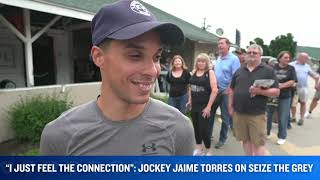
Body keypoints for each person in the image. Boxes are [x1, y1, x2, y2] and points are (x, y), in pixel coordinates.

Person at [40, 0, 195, 155]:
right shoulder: (60, 136)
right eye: (135, 55)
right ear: (99, 57)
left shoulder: (178, 129)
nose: (152, 70)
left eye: (156, 56)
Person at [229, 44, 279, 156]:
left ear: (260, 55)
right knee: (245, 140)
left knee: (258, 144)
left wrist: (259, 91)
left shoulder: (268, 71)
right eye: (249, 52)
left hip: (256, 114)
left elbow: (276, 91)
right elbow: (231, 90)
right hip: (239, 112)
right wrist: (230, 107)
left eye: (254, 53)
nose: (251, 54)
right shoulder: (239, 71)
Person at [209, 37, 241, 149]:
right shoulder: (218, 58)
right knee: (210, 113)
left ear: (228, 46)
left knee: (225, 117)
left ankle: (222, 139)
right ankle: (209, 135)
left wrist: (229, 89)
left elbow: (237, 76)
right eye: (218, 44)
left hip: (226, 92)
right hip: (215, 91)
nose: (219, 46)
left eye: (222, 43)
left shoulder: (234, 59)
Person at [187, 53, 218, 155]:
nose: (201, 63)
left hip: (205, 105)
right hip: (194, 105)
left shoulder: (210, 72)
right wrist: (190, 101)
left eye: (203, 61)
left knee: (203, 129)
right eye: (199, 61)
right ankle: (199, 148)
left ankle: (208, 149)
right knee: (195, 127)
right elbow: (190, 88)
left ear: (207, 63)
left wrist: (208, 107)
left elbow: (214, 90)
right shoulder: (194, 72)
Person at [267, 51, 297, 145]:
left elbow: (292, 81)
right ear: (279, 58)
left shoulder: (291, 68)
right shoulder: (273, 67)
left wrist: (281, 86)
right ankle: (266, 133)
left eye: (288, 58)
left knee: (283, 117)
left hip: (285, 96)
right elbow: (268, 78)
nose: (288, 59)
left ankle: (281, 136)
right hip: (272, 95)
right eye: (285, 57)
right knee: (268, 115)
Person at [289, 53, 319, 125]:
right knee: (293, 104)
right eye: (306, 58)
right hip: (293, 88)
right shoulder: (291, 65)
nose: (307, 59)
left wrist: (316, 80)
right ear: (300, 58)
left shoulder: (307, 66)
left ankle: (301, 118)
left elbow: (314, 75)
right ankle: (293, 117)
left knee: (303, 102)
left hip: (303, 88)